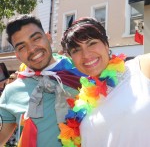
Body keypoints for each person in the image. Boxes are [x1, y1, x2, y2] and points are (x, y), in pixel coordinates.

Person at [60, 17, 150, 147]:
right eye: (76, 50)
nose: (86, 54)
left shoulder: (142, 67)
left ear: (106, 44)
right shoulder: (81, 104)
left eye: (91, 43)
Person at [0, 14, 84, 147]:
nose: (32, 49)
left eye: (36, 38)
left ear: (48, 37)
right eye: (22, 47)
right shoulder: (11, 92)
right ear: (17, 55)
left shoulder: (81, 73)